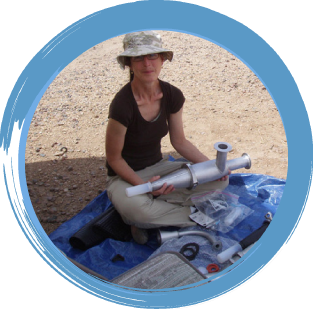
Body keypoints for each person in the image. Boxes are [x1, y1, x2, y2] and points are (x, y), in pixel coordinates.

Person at [105, 31, 229, 244]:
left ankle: (156, 213)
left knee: (220, 182)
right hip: (125, 176)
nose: (147, 63)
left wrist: (212, 168)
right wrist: (147, 188)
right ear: (129, 64)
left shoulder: (172, 95)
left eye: (152, 56)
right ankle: (192, 215)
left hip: (159, 168)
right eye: (138, 58)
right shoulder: (122, 104)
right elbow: (114, 159)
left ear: (163, 59)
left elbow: (179, 142)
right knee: (138, 209)